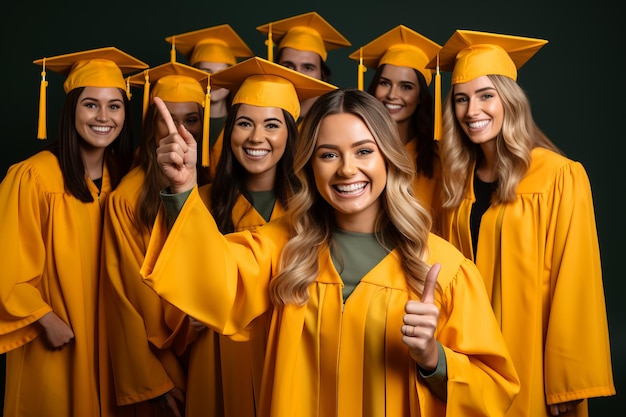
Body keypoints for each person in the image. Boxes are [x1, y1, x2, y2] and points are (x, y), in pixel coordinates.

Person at [140, 88, 521, 416]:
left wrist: (434, 359)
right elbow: (211, 283)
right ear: (309, 166)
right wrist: (182, 188)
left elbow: (494, 392)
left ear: (388, 158)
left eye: (364, 151)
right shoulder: (277, 249)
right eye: (328, 155)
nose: (346, 170)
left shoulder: (443, 269)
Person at [430, 29, 616, 416]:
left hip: (530, 354)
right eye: (461, 99)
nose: (472, 110)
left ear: (509, 100)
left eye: (486, 96)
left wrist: (566, 382)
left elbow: (575, 280)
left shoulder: (558, 175)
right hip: (465, 352)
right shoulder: (455, 180)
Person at [0, 47, 147, 417]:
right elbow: (6, 263)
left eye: (115, 106)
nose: (104, 117)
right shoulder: (33, 176)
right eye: (91, 104)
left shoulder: (125, 182)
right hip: (57, 339)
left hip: (114, 347)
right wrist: (44, 320)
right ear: (71, 111)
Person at [186, 56, 336, 417]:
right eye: (244, 124)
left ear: (290, 133)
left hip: (291, 358)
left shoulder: (315, 209)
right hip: (216, 360)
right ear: (230, 130)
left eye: (272, 125)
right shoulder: (199, 204)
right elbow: (177, 296)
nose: (256, 137)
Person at [99, 60, 212, 417]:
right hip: (168, 353)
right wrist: (156, 381)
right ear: (149, 124)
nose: (177, 129)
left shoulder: (215, 183)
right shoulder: (127, 198)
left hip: (216, 344)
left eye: (190, 119)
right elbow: (127, 296)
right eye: (165, 117)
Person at [348, 25, 443, 228]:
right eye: (384, 83)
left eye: (406, 87)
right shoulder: (352, 146)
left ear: (420, 97)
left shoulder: (437, 159)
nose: (392, 95)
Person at [166, 24, 254, 184]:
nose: (213, 80)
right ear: (193, 74)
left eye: (222, 73)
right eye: (206, 72)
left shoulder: (244, 124)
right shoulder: (179, 122)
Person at [256, 11, 350, 122]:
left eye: (308, 68)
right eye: (288, 67)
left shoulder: (335, 118)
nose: (297, 74)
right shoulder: (264, 114)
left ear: (322, 74)